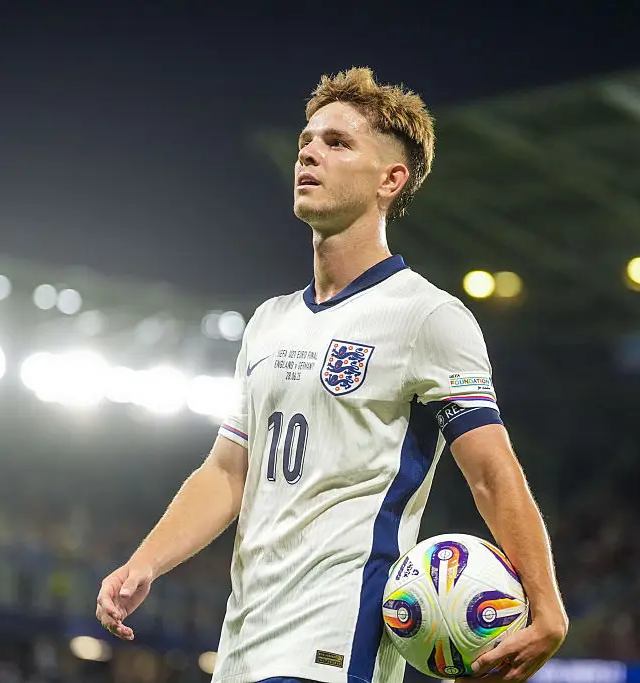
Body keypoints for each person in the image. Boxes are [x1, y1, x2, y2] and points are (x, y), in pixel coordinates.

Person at [96, 67, 568, 683]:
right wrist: (146, 563)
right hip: (244, 638)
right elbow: (228, 471)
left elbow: (490, 472)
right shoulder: (269, 322)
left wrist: (546, 603)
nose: (309, 154)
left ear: (390, 180)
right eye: (305, 142)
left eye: (338, 143)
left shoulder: (427, 316)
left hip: (339, 635)